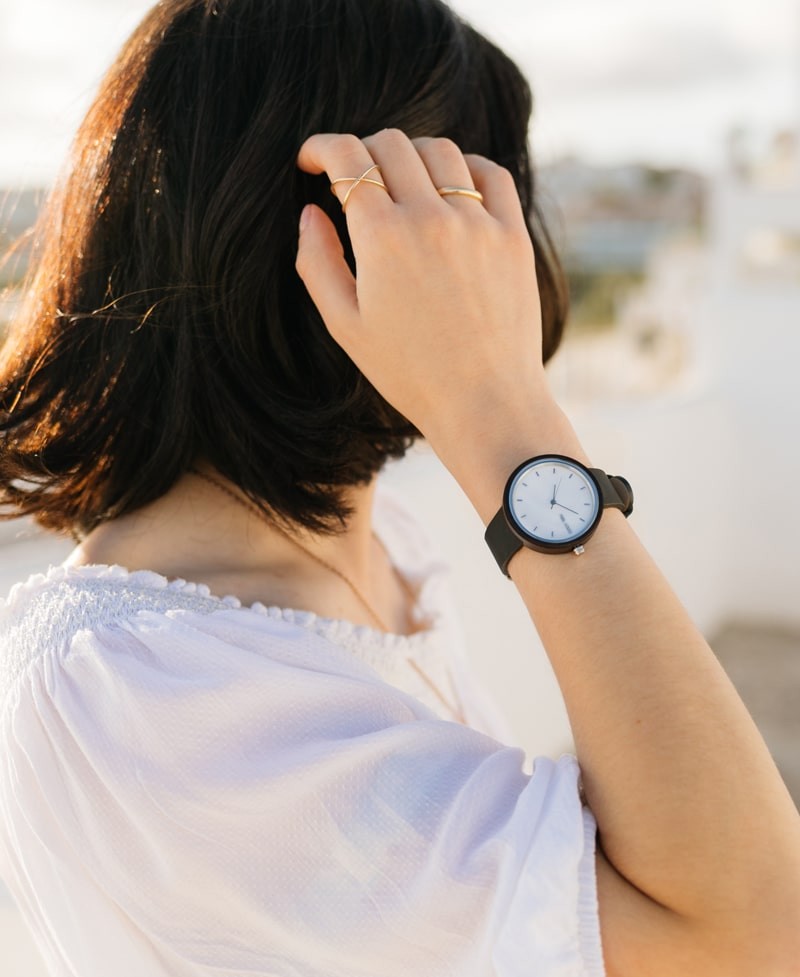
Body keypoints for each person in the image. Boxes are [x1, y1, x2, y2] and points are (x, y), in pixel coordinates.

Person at [0, 0, 798, 974]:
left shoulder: (385, 551)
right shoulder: (143, 686)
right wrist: (502, 410)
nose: (508, 267)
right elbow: (749, 929)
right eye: (467, 218)